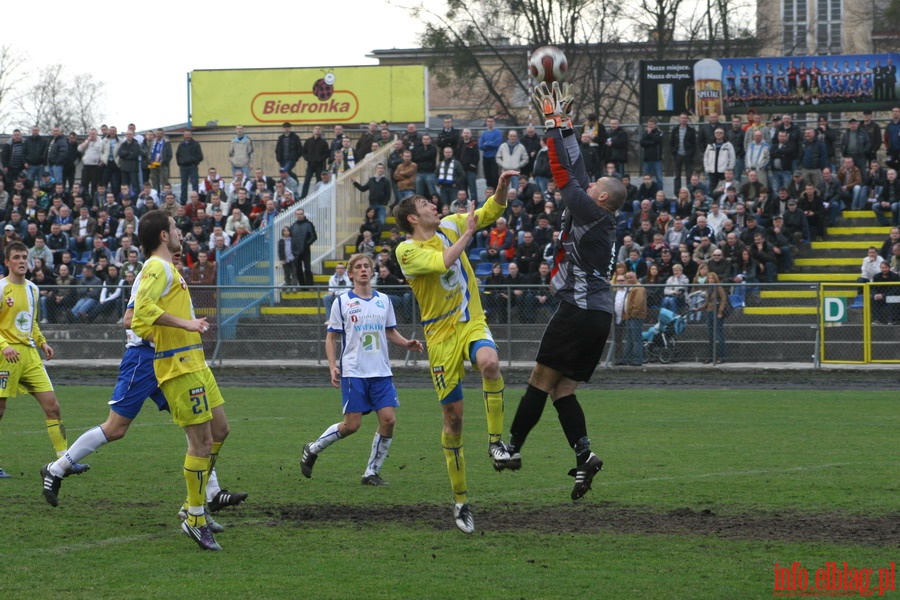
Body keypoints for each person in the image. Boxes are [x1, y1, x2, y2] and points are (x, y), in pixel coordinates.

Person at [40, 254, 247, 524]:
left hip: (171, 361)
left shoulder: (172, 277)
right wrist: (163, 336)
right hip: (144, 360)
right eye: (173, 247)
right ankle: (57, 468)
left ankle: (211, 492)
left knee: (197, 426)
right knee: (116, 428)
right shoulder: (151, 273)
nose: (178, 254)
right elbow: (129, 319)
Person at [506, 81, 626, 503]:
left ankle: (512, 446)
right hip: (597, 314)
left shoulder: (592, 211)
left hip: (578, 308)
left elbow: (562, 176)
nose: (589, 186)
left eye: (596, 187)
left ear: (604, 198)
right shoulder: (600, 213)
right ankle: (585, 456)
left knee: (540, 378)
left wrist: (552, 124)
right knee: (564, 390)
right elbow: (576, 172)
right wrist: (566, 127)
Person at [393, 169, 518, 534]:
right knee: (454, 421)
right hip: (439, 338)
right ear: (413, 219)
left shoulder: (449, 225)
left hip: (469, 320)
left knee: (490, 363)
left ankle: (497, 444)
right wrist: (466, 235)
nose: (434, 206)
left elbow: (491, 213)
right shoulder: (407, 249)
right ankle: (461, 500)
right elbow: (441, 263)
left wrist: (501, 188)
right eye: (425, 204)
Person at [129, 210, 235, 551]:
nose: (179, 232)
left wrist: (171, 328)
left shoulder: (168, 268)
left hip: (195, 362)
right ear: (163, 235)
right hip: (179, 367)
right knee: (200, 443)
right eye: (174, 227)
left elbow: (143, 322)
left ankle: (194, 504)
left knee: (220, 430)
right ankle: (195, 518)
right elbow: (139, 314)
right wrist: (185, 325)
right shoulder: (156, 267)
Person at [301, 254, 423, 486]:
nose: (364, 270)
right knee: (352, 425)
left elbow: (389, 331)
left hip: (381, 372)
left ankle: (371, 472)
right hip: (354, 371)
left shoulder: (384, 301)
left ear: (372, 271)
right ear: (350, 274)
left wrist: (406, 342)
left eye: (367, 266)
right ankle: (313, 448)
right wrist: (332, 365)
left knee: (388, 420)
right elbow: (331, 337)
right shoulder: (341, 302)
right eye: (358, 267)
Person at [0, 242, 88, 479]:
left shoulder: (33, 289)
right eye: (16, 257)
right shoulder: (1, 288)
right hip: (5, 357)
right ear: (7, 262)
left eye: (24, 257)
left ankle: (64, 461)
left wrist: (42, 342)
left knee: (53, 406)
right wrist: (4, 346)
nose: (21, 261)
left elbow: (32, 322)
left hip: (29, 356)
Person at [696, 270, 728, 363]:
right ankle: (711, 356)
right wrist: (699, 309)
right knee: (710, 336)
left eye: (712, 278)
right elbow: (707, 302)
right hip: (709, 312)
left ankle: (721, 357)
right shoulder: (708, 289)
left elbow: (723, 300)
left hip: (717, 312)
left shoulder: (718, 287)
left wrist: (720, 311)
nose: (710, 280)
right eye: (709, 278)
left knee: (719, 335)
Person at [619, 271, 647, 366]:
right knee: (629, 338)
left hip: (635, 317)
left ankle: (637, 360)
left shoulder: (638, 288)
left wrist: (632, 314)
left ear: (635, 277)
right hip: (629, 316)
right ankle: (625, 359)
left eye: (631, 277)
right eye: (627, 277)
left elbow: (638, 304)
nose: (629, 279)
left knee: (636, 339)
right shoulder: (630, 288)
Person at [289, 208, 317, 287]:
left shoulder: (309, 224)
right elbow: (291, 239)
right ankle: (302, 286)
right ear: (295, 215)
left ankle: (310, 285)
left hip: (305, 250)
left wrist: (306, 244)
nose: (299, 215)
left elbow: (314, 236)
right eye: (298, 214)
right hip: (296, 251)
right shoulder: (293, 226)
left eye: (300, 214)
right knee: (298, 269)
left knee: (307, 268)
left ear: (303, 214)